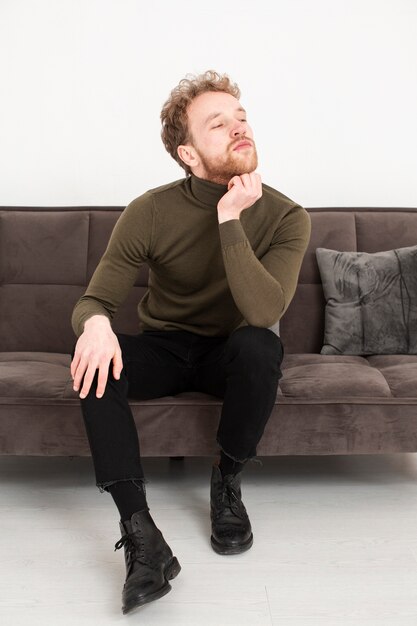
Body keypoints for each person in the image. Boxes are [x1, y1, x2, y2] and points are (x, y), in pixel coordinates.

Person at [70, 69, 311, 614]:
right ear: (187, 153)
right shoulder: (151, 211)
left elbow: (264, 310)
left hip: (227, 353)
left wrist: (229, 219)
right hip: (165, 348)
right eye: (218, 124)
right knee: (91, 354)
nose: (239, 129)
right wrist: (96, 325)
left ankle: (227, 481)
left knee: (259, 344)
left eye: (241, 118)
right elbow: (93, 301)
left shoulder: (286, 216)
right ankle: (142, 534)